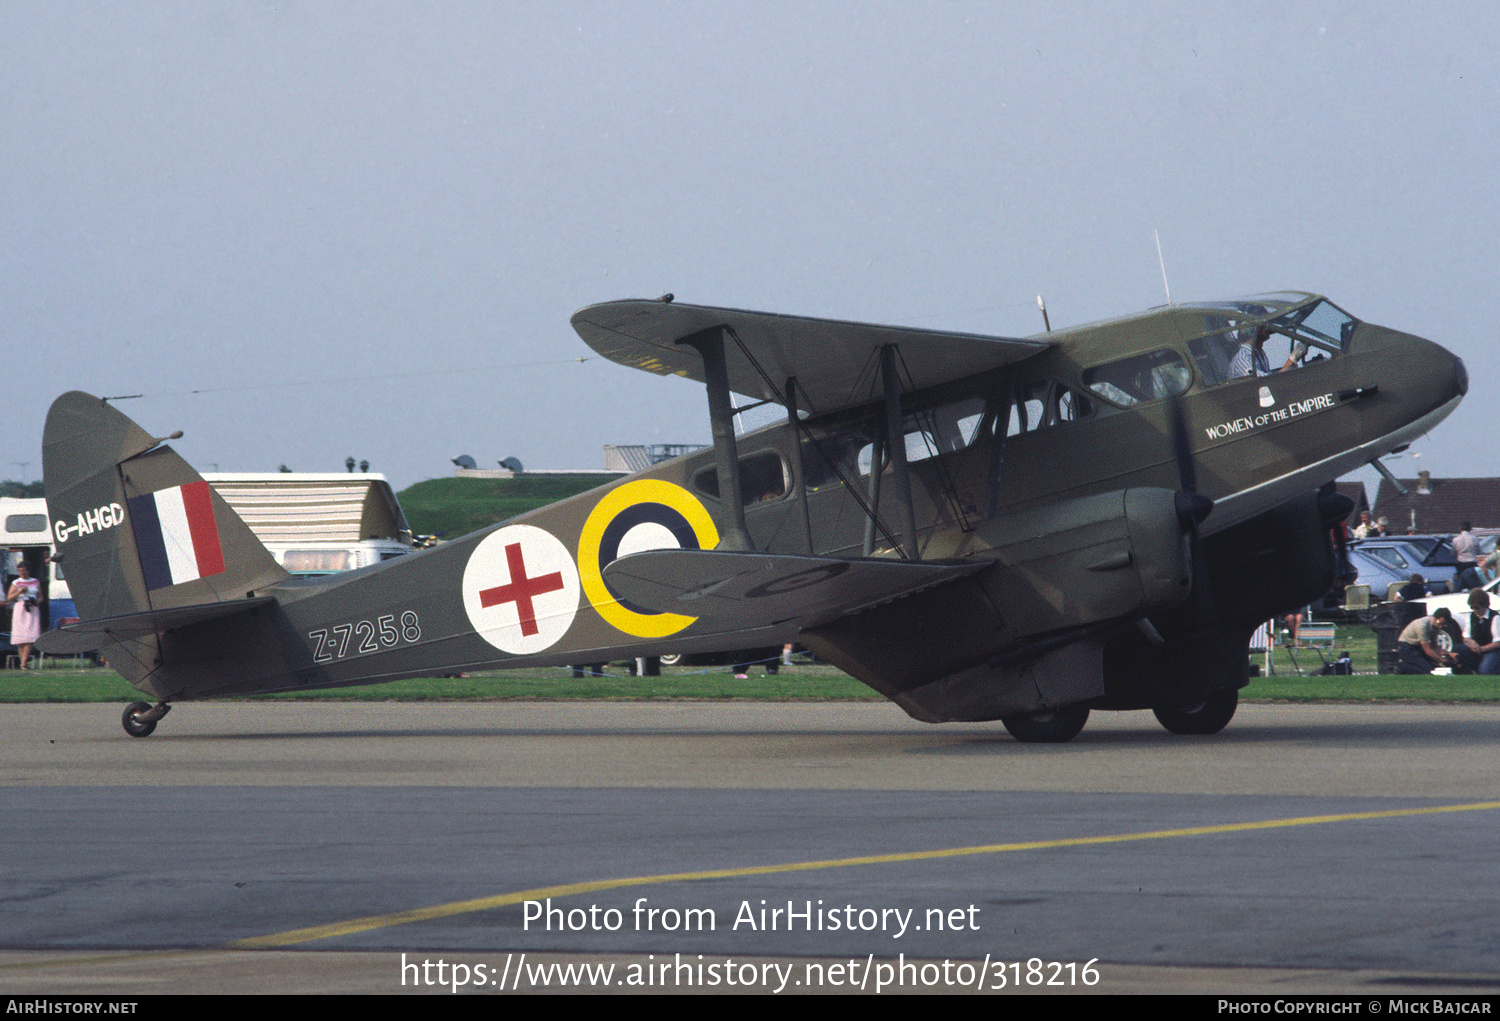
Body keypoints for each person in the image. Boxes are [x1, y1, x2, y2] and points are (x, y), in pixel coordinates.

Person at [1396, 606, 1459, 674]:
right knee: (1429, 670)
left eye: (1442, 624)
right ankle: (1402, 666)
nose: (1440, 627)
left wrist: (1444, 658)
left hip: (1417, 647)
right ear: (1434, 618)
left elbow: (1435, 646)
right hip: (1406, 646)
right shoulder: (1422, 626)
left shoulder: (1435, 626)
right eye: (1439, 623)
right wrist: (1443, 661)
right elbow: (1428, 650)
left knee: (1434, 666)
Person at [1229, 324, 1306, 378]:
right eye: (1262, 328)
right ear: (1253, 334)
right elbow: (1266, 381)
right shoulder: (1243, 359)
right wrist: (1292, 359)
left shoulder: (1258, 353)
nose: (1266, 329)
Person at [6, 561, 42, 670]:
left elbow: (41, 597)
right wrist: (19, 592)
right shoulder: (16, 582)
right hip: (20, 608)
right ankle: (23, 664)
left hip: (32, 608)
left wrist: (36, 602)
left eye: (24, 570)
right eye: (20, 571)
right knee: (21, 639)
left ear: (29, 571)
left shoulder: (35, 582)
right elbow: (9, 598)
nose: (23, 573)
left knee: (31, 636)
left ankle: (23, 663)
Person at [1456, 589, 1500, 675]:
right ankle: (1476, 667)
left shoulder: (1495, 618)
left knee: (1484, 671)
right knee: (1458, 648)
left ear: (1485, 606)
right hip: (1476, 649)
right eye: (1472, 607)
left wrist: (1481, 649)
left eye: (1476, 607)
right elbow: (1465, 637)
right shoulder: (1471, 616)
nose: (1474, 610)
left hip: (1491, 650)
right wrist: (1472, 643)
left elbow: (1497, 643)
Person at [1452, 522, 1481, 590]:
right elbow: (1479, 551)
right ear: (1470, 529)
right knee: (1474, 584)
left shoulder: (1455, 539)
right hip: (1472, 564)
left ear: (1460, 529)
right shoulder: (1474, 539)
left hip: (1461, 564)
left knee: (1461, 585)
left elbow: (1453, 553)